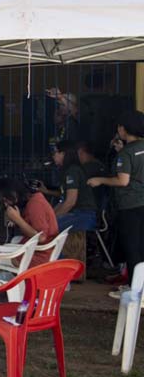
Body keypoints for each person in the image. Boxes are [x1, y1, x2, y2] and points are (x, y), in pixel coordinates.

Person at [89, 111, 144, 281]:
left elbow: (122, 181)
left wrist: (100, 180)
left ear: (123, 129)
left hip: (130, 205)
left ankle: (135, 288)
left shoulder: (126, 153)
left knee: (132, 247)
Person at [0, 177, 59, 266]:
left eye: (6, 200)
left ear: (14, 194)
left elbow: (41, 237)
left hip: (39, 256)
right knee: (10, 244)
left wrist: (18, 220)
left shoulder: (35, 205)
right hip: (40, 250)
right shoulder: (35, 198)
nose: (6, 204)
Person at [49, 140, 97, 232]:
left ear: (63, 154)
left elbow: (70, 202)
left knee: (49, 228)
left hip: (83, 215)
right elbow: (63, 202)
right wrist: (50, 216)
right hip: (75, 214)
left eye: (55, 152)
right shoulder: (68, 171)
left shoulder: (73, 171)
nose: (53, 155)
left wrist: (51, 220)